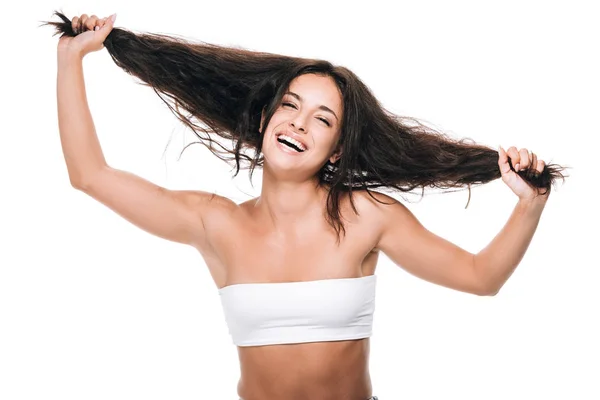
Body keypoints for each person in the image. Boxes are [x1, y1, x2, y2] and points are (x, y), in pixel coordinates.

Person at [44, 11, 567, 400]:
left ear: (336, 147)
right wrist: (72, 59)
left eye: (321, 118)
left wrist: (530, 204)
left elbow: (480, 277)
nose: (297, 122)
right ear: (266, 122)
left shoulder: (368, 216)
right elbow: (90, 176)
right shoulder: (215, 222)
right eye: (290, 106)